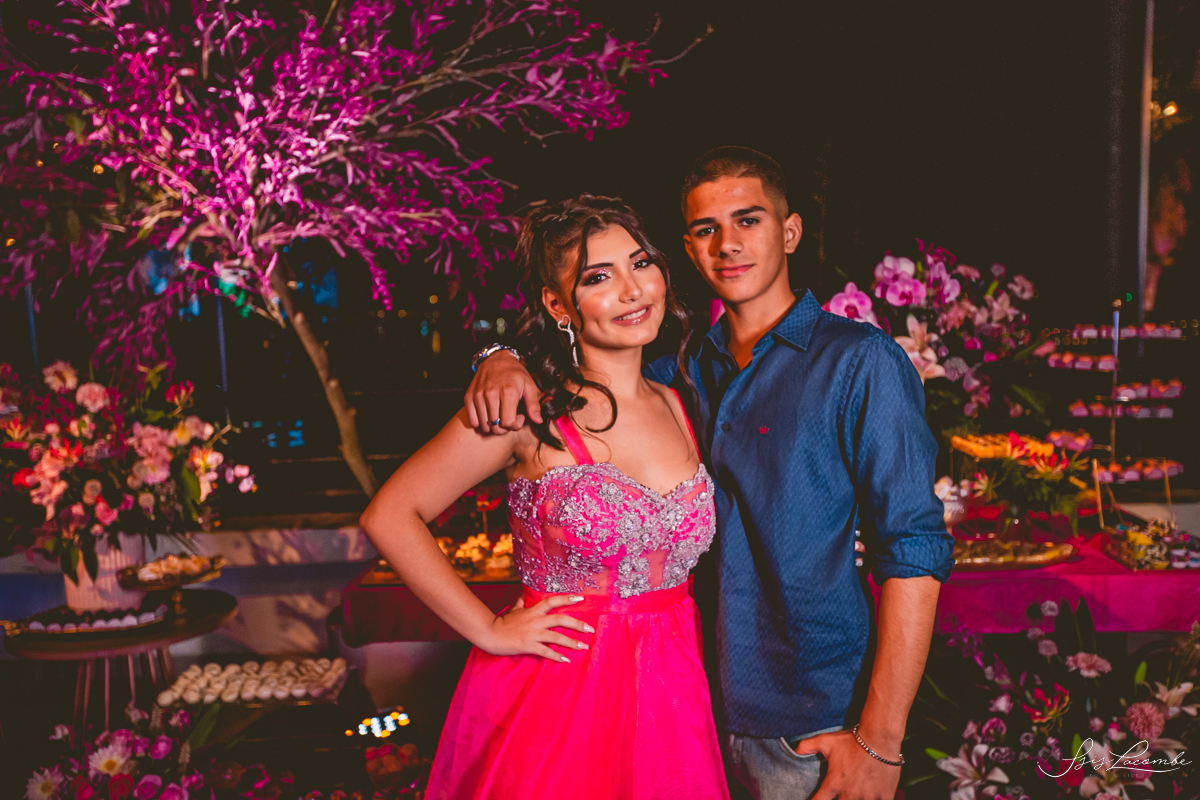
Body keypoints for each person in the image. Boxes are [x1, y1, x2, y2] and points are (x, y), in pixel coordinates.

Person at [466, 146, 955, 800]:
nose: (728, 244)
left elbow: (914, 549)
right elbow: (580, 368)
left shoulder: (859, 363)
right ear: (688, 251)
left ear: (790, 232)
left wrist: (881, 743)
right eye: (706, 229)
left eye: (748, 220)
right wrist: (498, 356)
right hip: (687, 709)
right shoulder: (677, 373)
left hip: (814, 724)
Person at [360, 194, 730, 799]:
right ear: (558, 305)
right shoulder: (529, 411)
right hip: (560, 689)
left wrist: (497, 353)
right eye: (599, 277)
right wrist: (488, 629)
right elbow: (390, 514)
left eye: (640, 263)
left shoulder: (679, 400)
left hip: (671, 690)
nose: (633, 290)